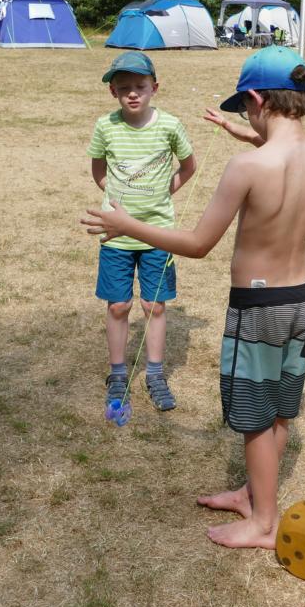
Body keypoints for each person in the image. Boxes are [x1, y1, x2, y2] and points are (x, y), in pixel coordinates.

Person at [82, 47, 305, 549]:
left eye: (246, 110)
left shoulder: (247, 167)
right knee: (280, 408)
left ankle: (263, 522)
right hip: (301, 301)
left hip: (258, 310)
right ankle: (253, 494)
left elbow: (197, 244)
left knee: (255, 418)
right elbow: (279, 143)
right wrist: (241, 130)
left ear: (256, 99)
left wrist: (126, 224)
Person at [87, 51, 197, 414]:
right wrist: (112, 198)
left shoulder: (170, 126)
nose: (132, 93)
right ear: (113, 92)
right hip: (115, 236)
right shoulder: (106, 126)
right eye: (124, 88)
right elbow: (98, 169)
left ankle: (155, 373)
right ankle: (118, 373)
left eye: (140, 86)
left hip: (157, 234)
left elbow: (188, 166)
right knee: (119, 305)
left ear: (155, 88)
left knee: (153, 305)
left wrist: (165, 193)